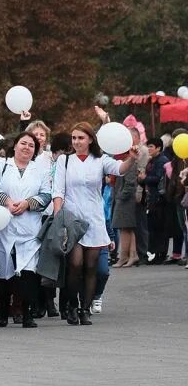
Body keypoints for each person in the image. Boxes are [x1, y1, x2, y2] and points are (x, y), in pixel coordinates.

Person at [51, 122, 137, 326]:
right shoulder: (64, 161)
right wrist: (58, 218)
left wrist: (131, 158)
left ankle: (84, 309)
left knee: (91, 268)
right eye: (74, 138)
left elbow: (120, 169)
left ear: (90, 139)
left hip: (94, 220)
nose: (77, 142)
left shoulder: (100, 160)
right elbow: (58, 191)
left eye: (81, 138)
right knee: (75, 264)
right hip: (72, 220)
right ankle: (72, 306)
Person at [0, 132, 52, 329]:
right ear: (15, 146)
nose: (27, 148)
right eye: (23, 143)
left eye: (31, 145)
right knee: (5, 270)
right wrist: (7, 201)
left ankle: (27, 313)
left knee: (28, 270)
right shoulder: (1, 165)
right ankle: (3, 311)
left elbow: (47, 194)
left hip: (29, 227)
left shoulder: (40, 170)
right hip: (4, 225)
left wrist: (28, 204)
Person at [111, 138, 146, 267]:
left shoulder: (129, 163)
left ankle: (124, 256)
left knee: (125, 228)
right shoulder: (123, 162)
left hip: (126, 200)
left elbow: (130, 183)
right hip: (124, 199)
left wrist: (121, 196)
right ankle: (132, 255)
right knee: (126, 229)